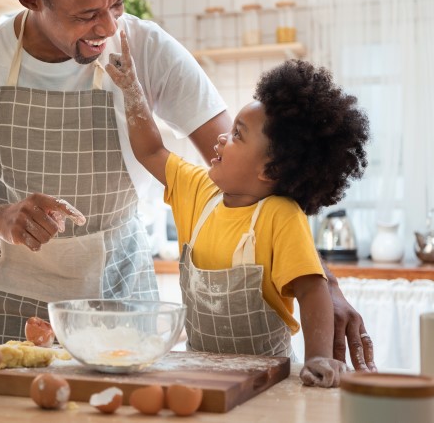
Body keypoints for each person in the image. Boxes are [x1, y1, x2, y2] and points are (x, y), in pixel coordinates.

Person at [0, 0, 376, 372]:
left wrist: (323, 284)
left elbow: (259, 177)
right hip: (15, 315)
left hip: (125, 311)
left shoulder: (148, 50)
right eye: (87, 14)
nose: (108, 28)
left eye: (117, 5)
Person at [104, 38, 369, 386]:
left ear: (270, 170)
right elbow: (151, 151)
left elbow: (311, 290)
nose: (221, 138)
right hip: (203, 374)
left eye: (237, 135)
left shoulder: (280, 216)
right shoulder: (198, 189)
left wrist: (318, 358)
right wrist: (132, 91)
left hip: (267, 381)